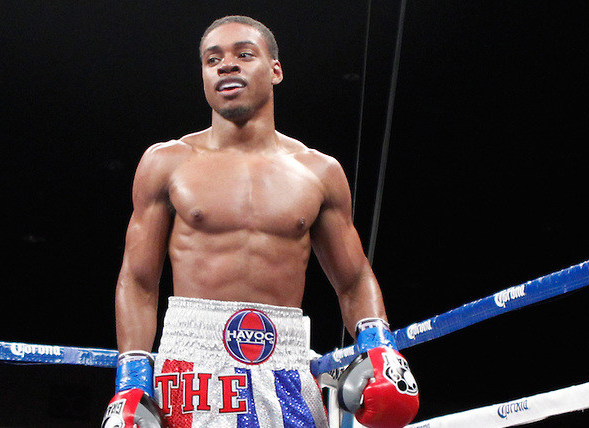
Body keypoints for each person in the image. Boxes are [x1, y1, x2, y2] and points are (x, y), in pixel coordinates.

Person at [101, 15, 419, 428]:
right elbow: (139, 279)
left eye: (243, 55)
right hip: (191, 362)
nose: (226, 65)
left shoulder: (318, 171)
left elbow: (354, 278)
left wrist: (379, 345)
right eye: (212, 59)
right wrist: (132, 379)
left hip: (285, 362)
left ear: (275, 70)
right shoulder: (167, 163)